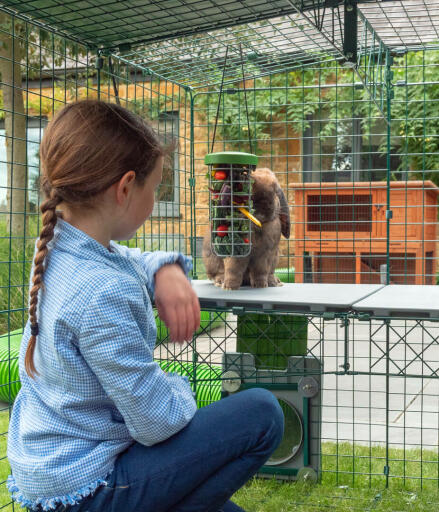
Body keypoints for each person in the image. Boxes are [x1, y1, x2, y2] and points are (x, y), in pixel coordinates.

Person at [7, 99, 284, 512]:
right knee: (263, 412)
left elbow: (125, 257)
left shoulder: (56, 246)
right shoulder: (102, 293)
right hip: (89, 487)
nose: (156, 198)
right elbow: (157, 422)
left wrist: (165, 268)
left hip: (52, 470)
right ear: (125, 188)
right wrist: (179, 384)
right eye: (156, 189)